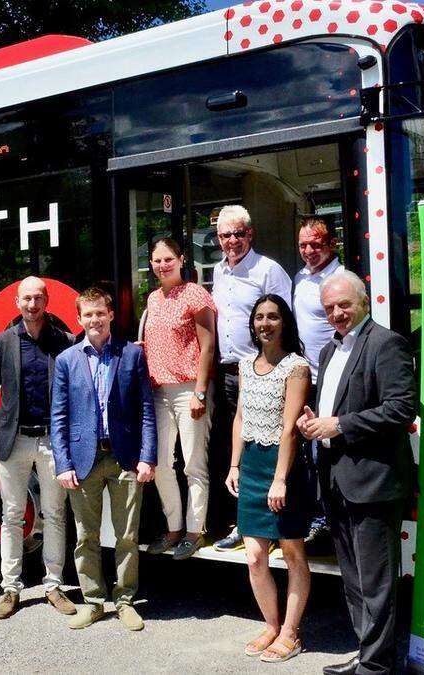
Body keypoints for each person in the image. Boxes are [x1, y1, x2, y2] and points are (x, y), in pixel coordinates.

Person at [297, 270, 417, 675]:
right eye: (330, 307)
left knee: (377, 581)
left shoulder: (386, 343)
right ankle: (366, 655)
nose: (337, 313)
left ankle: (378, 667)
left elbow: (401, 408)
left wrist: (340, 425)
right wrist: (315, 421)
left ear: (363, 301)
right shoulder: (331, 350)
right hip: (336, 479)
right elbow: (335, 407)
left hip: (373, 482)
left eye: (344, 304)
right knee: (352, 579)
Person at [51, 287, 156, 631]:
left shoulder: (131, 355)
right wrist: (63, 463)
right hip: (84, 460)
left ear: (110, 315)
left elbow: (146, 409)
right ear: (79, 319)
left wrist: (147, 456)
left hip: (125, 457)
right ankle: (94, 601)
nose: (94, 320)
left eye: (100, 313)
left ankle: (125, 600)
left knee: (127, 536)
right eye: (88, 314)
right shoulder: (67, 360)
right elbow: (59, 416)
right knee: (86, 537)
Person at [0, 276, 77, 619]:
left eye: (37, 299)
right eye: (26, 299)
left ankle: (53, 585)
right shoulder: (2, 342)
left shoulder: (62, 340)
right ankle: (11, 588)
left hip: (52, 440)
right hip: (13, 440)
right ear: (17, 302)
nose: (32, 305)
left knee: (55, 514)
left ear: (46, 301)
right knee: (12, 515)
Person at [224, 294, 312, 663]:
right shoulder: (246, 364)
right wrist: (234, 466)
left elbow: (291, 428)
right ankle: (271, 625)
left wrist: (281, 479)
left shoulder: (297, 367)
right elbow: (241, 418)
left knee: (292, 552)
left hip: (284, 467)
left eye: (273, 317)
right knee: (255, 556)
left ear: (284, 322)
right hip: (253, 467)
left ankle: (291, 633)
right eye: (259, 318)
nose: (265, 324)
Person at [211, 204, 292, 552]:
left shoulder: (268, 270)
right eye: (225, 235)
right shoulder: (218, 271)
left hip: (262, 374)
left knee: (267, 449)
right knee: (237, 449)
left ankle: (271, 527)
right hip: (228, 373)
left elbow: (283, 323)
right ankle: (244, 524)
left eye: (238, 233)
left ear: (250, 234)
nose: (232, 240)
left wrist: (273, 370)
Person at [141, 236, 216, 560]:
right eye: (157, 261)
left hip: (189, 390)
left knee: (193, 464)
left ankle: (194, 531)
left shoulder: (195, 294)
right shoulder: (153, 299)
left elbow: (208, 344)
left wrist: (200, 391)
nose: (162, 265)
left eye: (168, 259)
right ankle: (173, 528)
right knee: (160, 464)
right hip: (159, 391)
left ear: (182, 259)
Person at [292, 217, 344, 552]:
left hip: (331, 380)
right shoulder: (300, 277)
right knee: (305, 453)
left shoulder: (341, 280)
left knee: (323, 450)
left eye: (316, 244)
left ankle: (329, 520)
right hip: (304, 377)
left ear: (332, 244)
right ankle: (315, 516)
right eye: (303, 245)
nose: (309, 251)